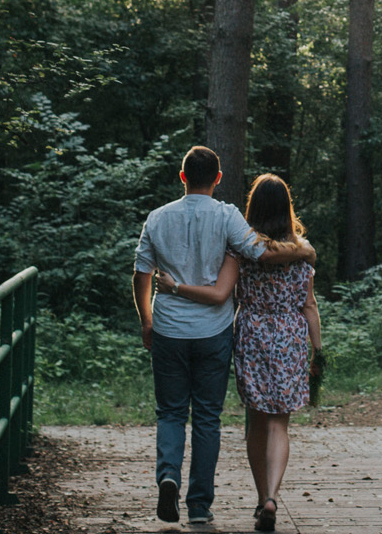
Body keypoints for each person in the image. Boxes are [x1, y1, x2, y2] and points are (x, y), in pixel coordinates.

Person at [132, 147, 315, 527]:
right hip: (213, 332)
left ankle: (168, 476)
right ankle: (199, 505)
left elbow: (141, 275)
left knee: (169, 412)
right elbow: (262, 254)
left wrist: (147, 321)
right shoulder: (227, 215)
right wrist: (305, 249)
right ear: (217, 178)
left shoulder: (157, 218)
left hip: (168, 329)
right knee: (207, 418)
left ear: (182, 177)